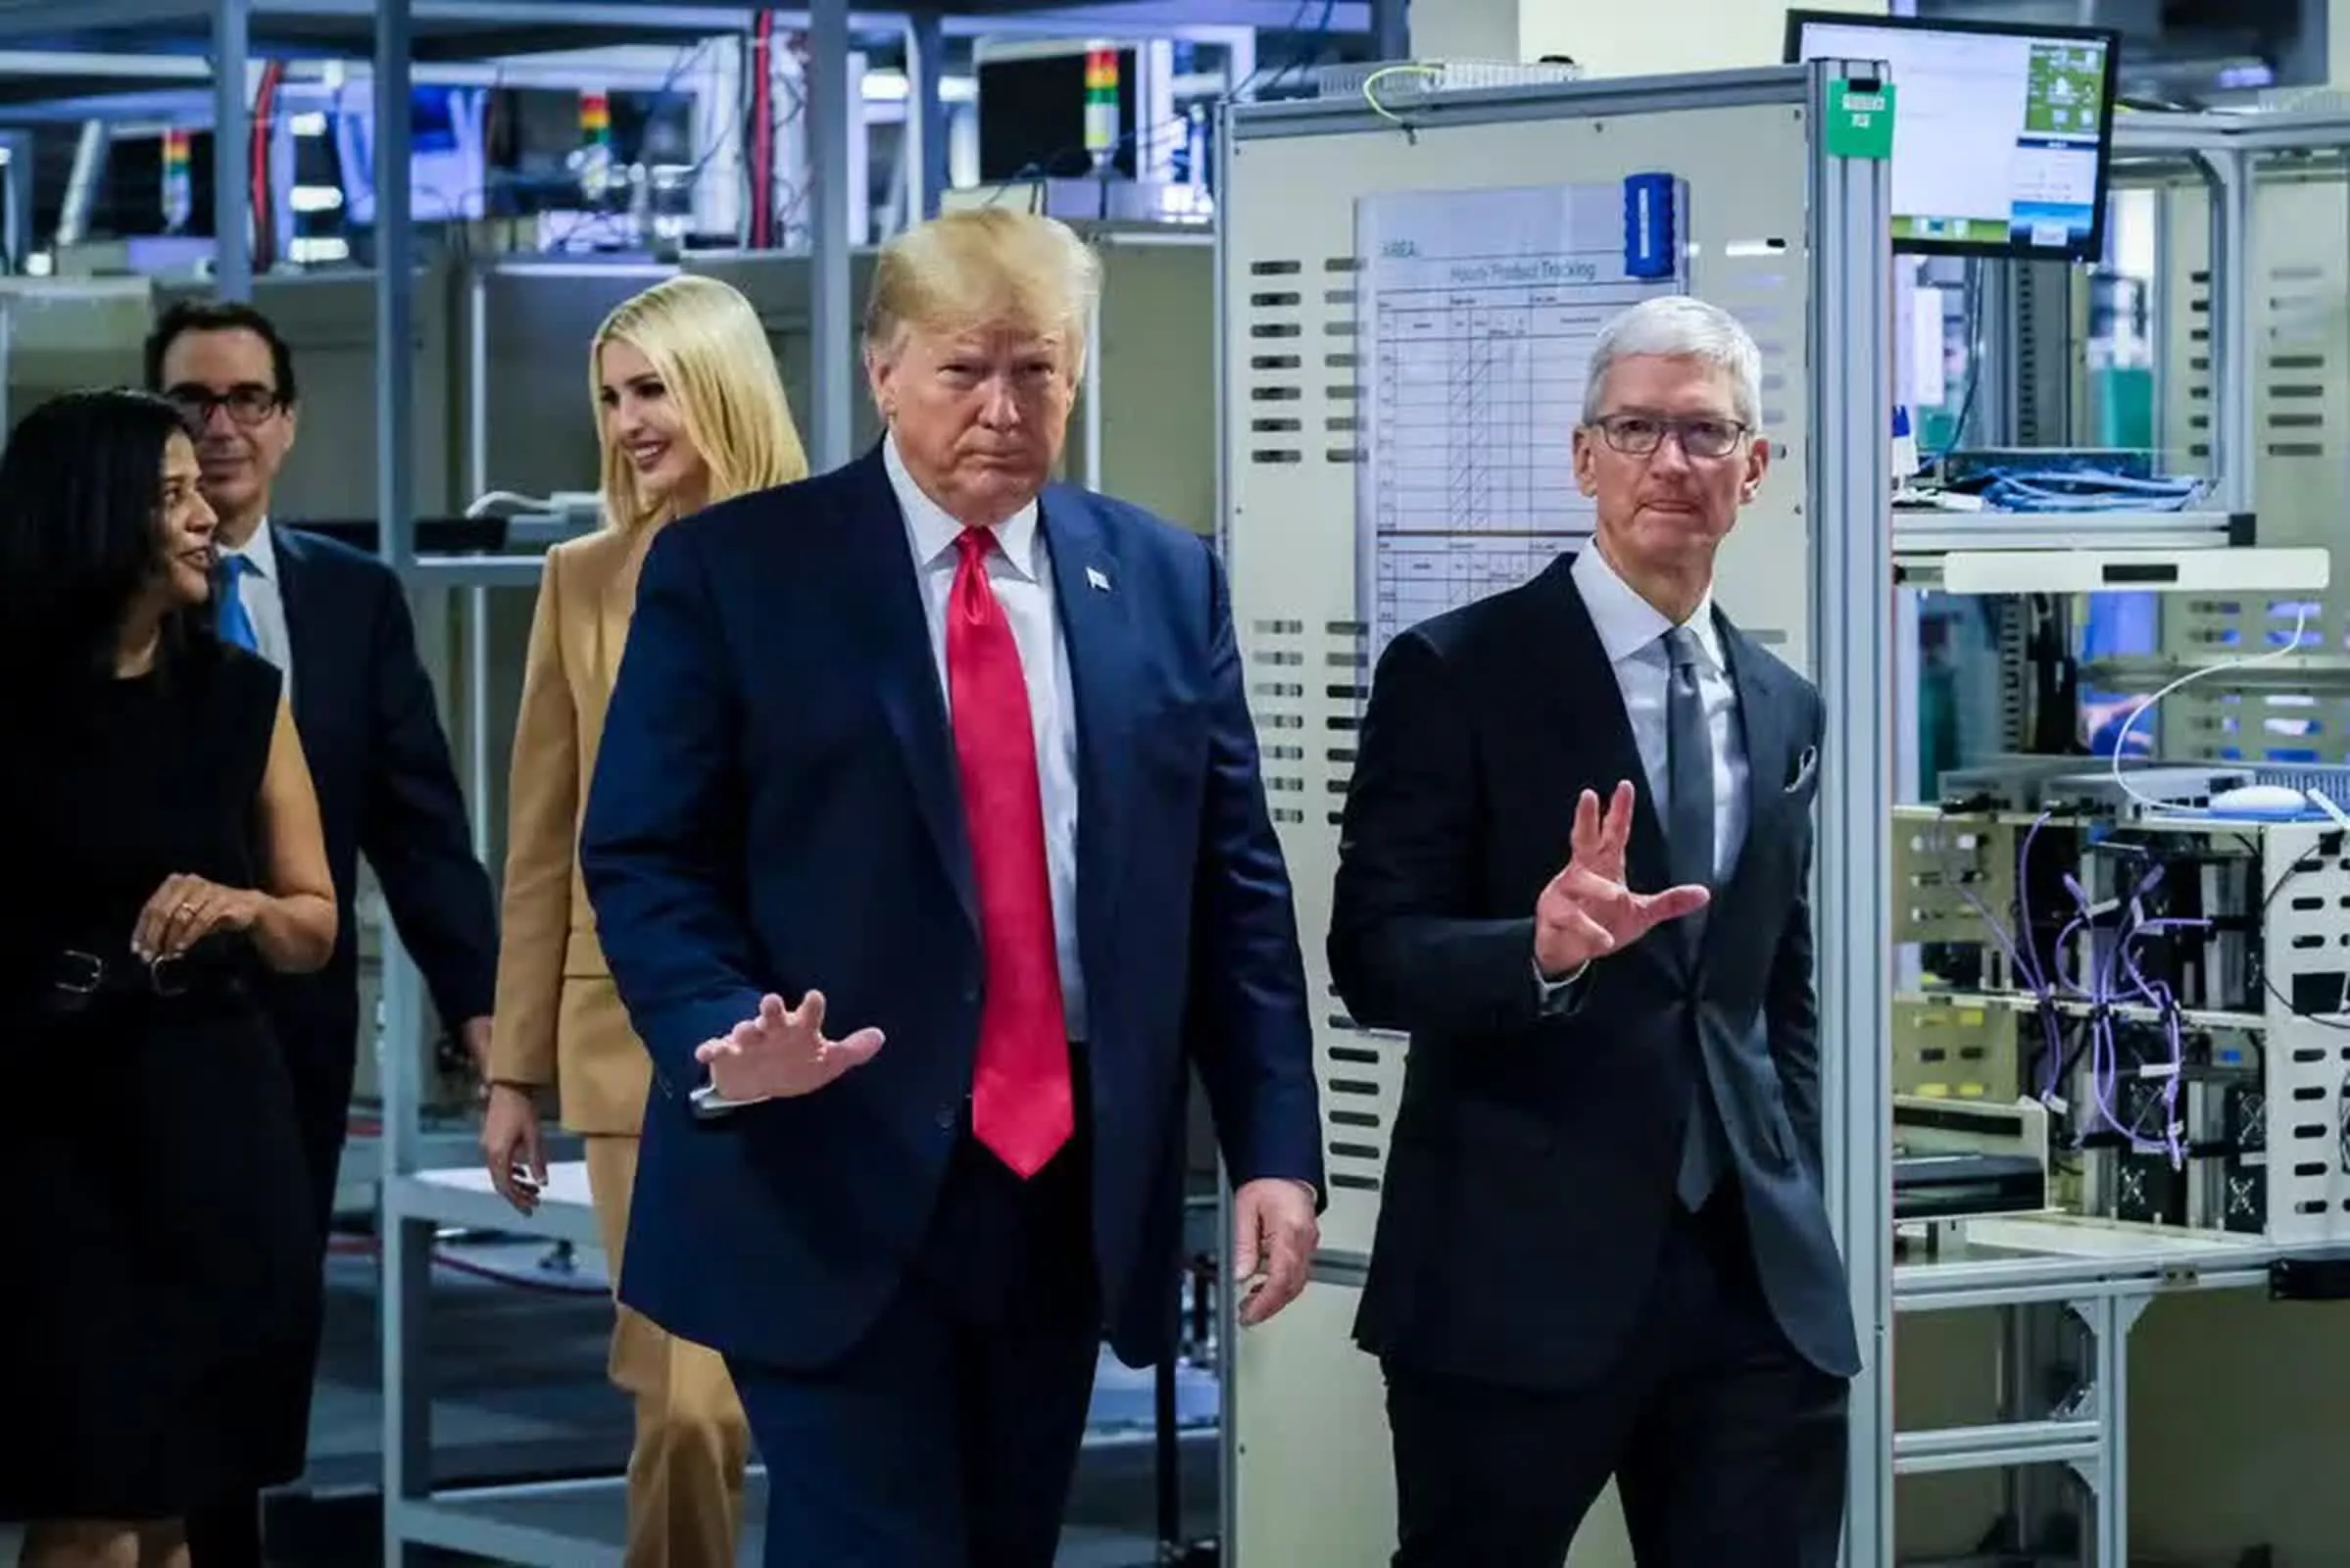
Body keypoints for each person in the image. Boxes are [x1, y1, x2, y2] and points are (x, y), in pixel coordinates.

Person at [578, 207, 1326, 1567]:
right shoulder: (743, 571)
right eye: (964, 370)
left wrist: (1274, 1143)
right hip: (822, 1162)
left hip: (1062, 1180)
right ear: (882, 371)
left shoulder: (1162, 581)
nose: (1002, 408)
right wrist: (721, 1028)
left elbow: (1233, 891)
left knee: (1006, 1540)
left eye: (1036, 371)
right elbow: (645, 851)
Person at [1329, 295, 1859, 1566]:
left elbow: (1771, 990)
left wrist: (1792, 1181)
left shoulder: (1784, 705)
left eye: (1704, 432)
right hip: (1515, 1277)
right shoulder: (1456, 671)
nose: (1670, 461)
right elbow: (1372, 956)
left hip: (1748, 1281)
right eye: (1634, 430)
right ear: (1582, 459)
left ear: (1753, 468)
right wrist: (1539, 949)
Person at [143, 301, 503, 1567]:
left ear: (288, 422)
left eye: (248, 399)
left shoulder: (351, 600)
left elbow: (421, 825)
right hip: (137, 1029)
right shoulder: (112, 604)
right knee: (151, 1340)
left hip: (292, 1025)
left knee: (263, 1326)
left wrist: (483, 1012)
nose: (221, 426)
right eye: (192, 401)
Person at [480, 274, 807, 1568]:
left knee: (846, 1405)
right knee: (685, 1409)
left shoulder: (845, 559)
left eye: (652, 389)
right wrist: (513, 1071)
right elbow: (541, 842)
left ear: (722, 384)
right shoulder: (581, 580)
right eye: (612, 398)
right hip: (640, 1049)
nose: (627, 424)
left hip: (829, 1038)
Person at [0, 390, 339, 1568]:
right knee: (93, 1498)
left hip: (214, 1124)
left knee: (175, 1502)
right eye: (172, 495)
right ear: (94, 515)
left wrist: (241, 908)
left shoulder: (241, 696)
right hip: (49, 1131)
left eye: (201, 490)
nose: (206, 518)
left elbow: (313, 923)